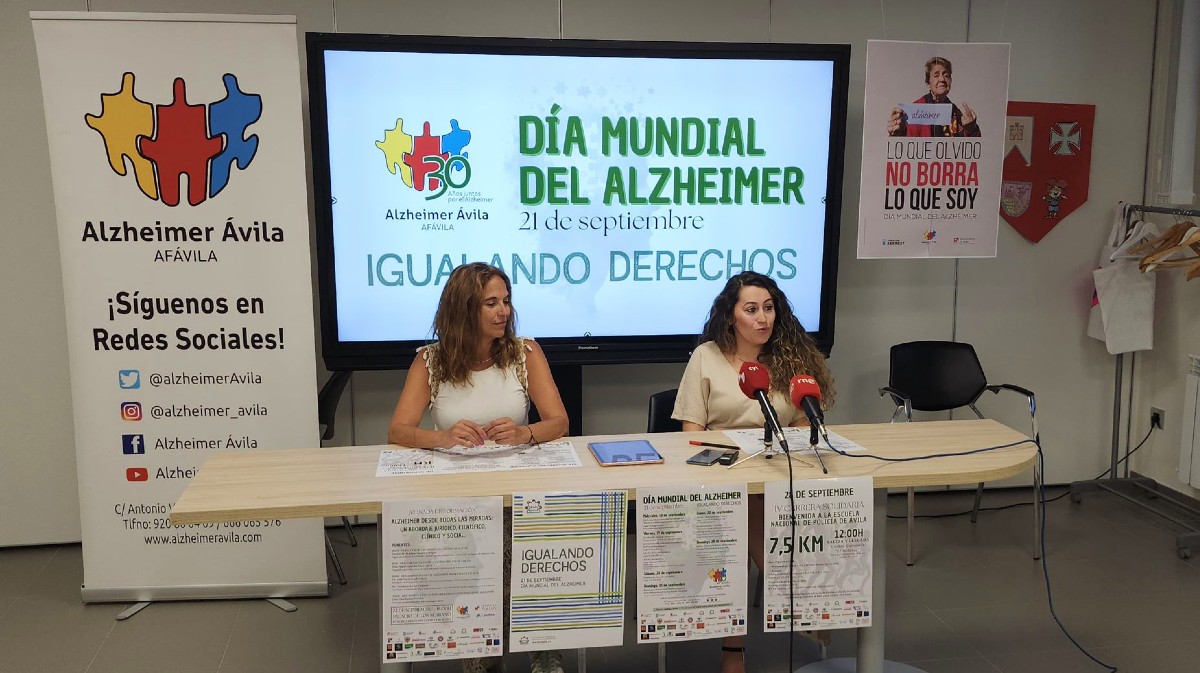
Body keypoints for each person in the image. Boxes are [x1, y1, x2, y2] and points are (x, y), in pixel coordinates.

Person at [388, 262, 569, 673]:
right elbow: (398, 430)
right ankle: (482, 652)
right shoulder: (430, 362)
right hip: (460, 494)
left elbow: (559, 422)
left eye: (506, 301)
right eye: (491, 303)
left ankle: (542, 648)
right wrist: (443, 437)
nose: (504, 311)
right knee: (479, 543)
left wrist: (524, 433)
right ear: (464, 309)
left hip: (518, 488)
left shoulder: (525, 354)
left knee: (522, 537)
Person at [671, 271, 836, 673]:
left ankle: (734, 651)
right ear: (731, 316)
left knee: (752, 508)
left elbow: (803, 422)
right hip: (720, 473)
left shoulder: (791, 359)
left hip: (777, 470)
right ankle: (791, 590)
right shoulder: (706, 357)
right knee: (742, 508)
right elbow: (691, 432)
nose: (762, 318)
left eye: (768, 308)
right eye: (751, 309)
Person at [887, 56, 981, 138]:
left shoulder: (955, 113)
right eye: (936, 75)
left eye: (946, 75)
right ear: (928, 83)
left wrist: (972, 130)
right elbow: (903, 145)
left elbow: (967, 148)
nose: (942, 79)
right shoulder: (914, 112)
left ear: (951, 81)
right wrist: (897, 134)